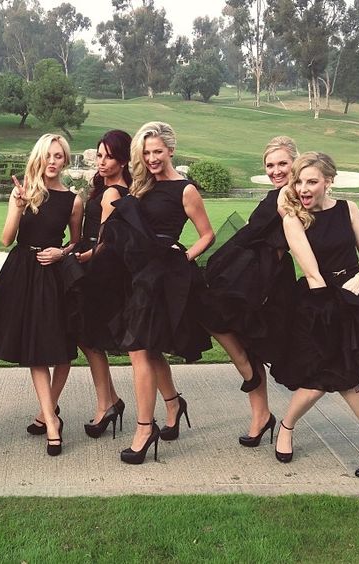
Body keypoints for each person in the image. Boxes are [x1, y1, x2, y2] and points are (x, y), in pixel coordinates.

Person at [95, 121, 215, 464]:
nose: (151, 158)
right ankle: (174, 403)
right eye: (146, 153)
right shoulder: (141, 186)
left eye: (158, 151)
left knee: (139, 350)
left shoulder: (185, 190)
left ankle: (144, 429)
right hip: (137, 274)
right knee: (149, 348)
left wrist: (183, 258)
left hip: (162, 278)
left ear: (171, 150)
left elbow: (207, 234)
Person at [271, 152, 359, 478]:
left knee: (339, 379)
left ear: (329, 181)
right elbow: (313, 274)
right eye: (299, 181)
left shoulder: (349, 208)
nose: (303, 188)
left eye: (312, 182)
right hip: (319, 302)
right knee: (336, 380)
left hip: (358, 296)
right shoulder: (294, 219)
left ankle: (286, 426)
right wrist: (336, 309)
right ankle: (287, 426)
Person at [0, 134, 83, 456]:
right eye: (48, 155)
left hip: (54, 275)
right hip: (23, 272)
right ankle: (52, 422)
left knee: (64, 352)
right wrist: (18, 205)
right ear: (39, 157)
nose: (53, 161)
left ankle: (45, 412)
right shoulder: (23, 192)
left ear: (65, 160)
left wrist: (61, 252)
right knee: (36, 351)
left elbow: (75, 242)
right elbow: (6, 239)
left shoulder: (74, 200)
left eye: (59, 156)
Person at [200, 136, 298, 447]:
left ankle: (247, 372)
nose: (276, 170)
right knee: (234, 330)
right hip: (249, 271)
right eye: (270, 165)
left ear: (296, 163)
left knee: (211, 311)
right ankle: (261, 415)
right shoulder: (277, 194)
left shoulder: (292, 196)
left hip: (266, 277)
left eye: (282, 163)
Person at [74, 130, 131, 439]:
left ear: (123, 160)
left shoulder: (113, 193)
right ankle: (112, 400)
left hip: (100, 272)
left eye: (109, 156)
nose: (102, 161)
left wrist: (83, 256)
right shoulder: (106, 188)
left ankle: (105, 406)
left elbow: (107, 240)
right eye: (99, 155)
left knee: (92, 340)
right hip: (95, 267)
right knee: (88, 339)